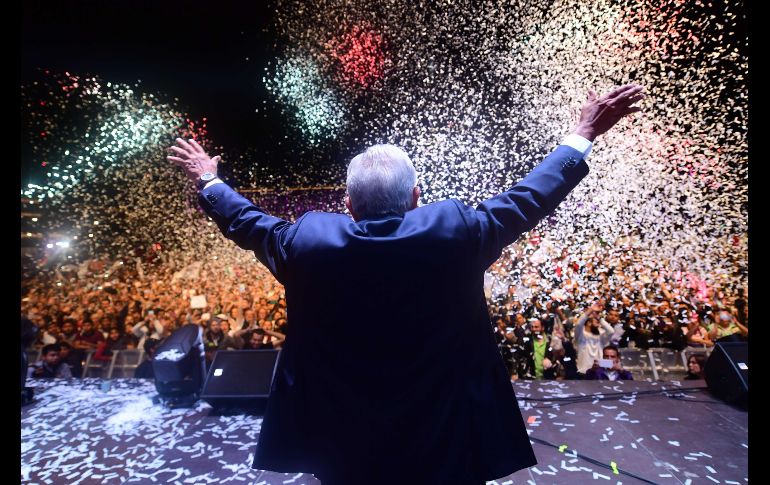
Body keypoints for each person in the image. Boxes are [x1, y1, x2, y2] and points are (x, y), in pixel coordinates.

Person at [168, 84, 644, 484]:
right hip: (448, 439)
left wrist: (209, 179)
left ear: (348, 205)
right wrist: (583, 132)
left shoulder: (307, 244)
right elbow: (529, 198)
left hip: (342, 442)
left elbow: (247, 221)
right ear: (417, 197)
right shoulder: (457, 232)